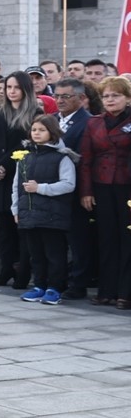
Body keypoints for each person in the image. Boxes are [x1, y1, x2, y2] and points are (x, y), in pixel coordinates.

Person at [78, 75, 131, 309]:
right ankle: (105, 291)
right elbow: (86, 159)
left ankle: (125, 292)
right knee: (106, 239)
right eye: (106, 96)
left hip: (127, 186)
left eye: (116, 95)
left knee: (127, 240)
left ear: (127, 98)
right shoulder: (94, 123)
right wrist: (86, 191)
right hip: (101, 185)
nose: (110, 100)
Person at [14, 114, 78, 305]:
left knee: (54, 253)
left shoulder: (62, 157)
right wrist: (15, 209)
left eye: (42, 130)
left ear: (52, 132)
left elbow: (68, 185)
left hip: (53, 215)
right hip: (29, 214)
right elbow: (16, 186)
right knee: (36, 254)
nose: (37, 133)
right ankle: (39, 285)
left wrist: (41, 188)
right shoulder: (24, 157)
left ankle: (55, 287)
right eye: (34, 130)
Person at [0, 72, 40, 288]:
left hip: (20, 175)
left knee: (21, 228)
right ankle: (5, 268)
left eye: (17, 87)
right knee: (4, 228)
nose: (12, 91)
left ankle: (23, 272)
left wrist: (3, 165)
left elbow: (27, 143)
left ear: (26, 89)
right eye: (8, 87)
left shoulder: (35, 112)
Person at [53, 78, 96, 299]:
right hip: (51, 190)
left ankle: (78, 282)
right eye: (57, 95)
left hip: (75, 188)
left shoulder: (88, 123)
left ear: (80, 98)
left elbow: (86, 160)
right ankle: (56, 280)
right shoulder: (51, 120)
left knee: (77, 239)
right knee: (55, 239)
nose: (60, 100)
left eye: (65, 96)